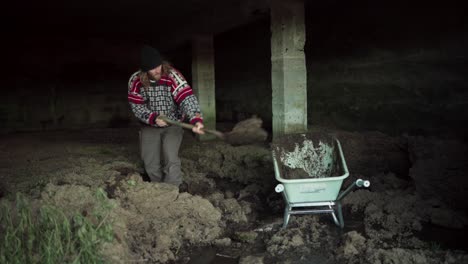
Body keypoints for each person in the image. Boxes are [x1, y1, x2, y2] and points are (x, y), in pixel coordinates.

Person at [128, 45, 204, 187]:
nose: (158, 70)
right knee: (149, 160)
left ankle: (172, 189)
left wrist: (196, 119)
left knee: (170, 156)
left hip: (174, 122)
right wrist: (153, 118)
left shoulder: (173, 75)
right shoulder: (135, 81)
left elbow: (186, 98)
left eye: (159, 65)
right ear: (144, 70)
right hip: (149, 124)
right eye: (153, 68)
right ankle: (158, 189)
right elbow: (136, 106)